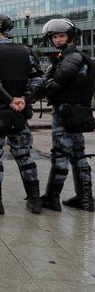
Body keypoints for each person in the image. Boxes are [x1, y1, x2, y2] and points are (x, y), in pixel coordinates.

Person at [0, 13, 44, 215]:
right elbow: (38, 82)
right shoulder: (26, 51)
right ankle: (35, 200)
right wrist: (23, 100)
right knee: (24, 155)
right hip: (20, 114)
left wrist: (8, 99)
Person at [36, 18, 94, 212]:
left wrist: (37, 92)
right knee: (79, 154)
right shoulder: (80, 58)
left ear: (70, 37)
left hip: (65, 112)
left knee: (61, 154)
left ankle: (52, 198)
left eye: (61, 36)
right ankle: (86, 198)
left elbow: (52, 85)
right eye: (54, 36)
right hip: (80, 112)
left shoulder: (71, 59)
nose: (57, 40)